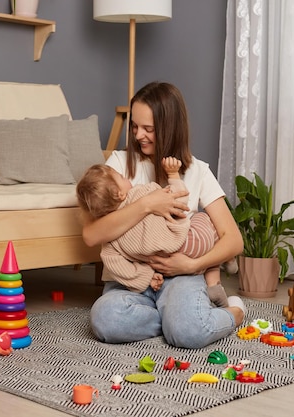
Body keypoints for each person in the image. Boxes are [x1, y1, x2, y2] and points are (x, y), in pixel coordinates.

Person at [82, 81, 245, 349]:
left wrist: (192, 265)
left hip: (179, 277)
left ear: (170, 127)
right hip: (131, 280)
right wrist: (148, 204)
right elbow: (91, 235)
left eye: (148, 129)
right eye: (134, 126)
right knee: (105, 319)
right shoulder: (118, 165)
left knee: (190, 333)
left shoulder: (198, 171)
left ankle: (233, 312)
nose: (138, 135)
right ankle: (175, 320)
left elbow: (233, 240)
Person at [76, 156, 236, 307]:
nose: (126, 178)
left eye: (148, 129)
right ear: (120, 193)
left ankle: (213, 282)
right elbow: (180, 200)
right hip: (190, 242)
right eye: (122, 177)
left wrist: (147, 277)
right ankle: (219, 272)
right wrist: (173, 175)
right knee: (203, 219)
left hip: (168, 264)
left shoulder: (109, 241)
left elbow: (118, 267)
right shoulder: (141, 192)